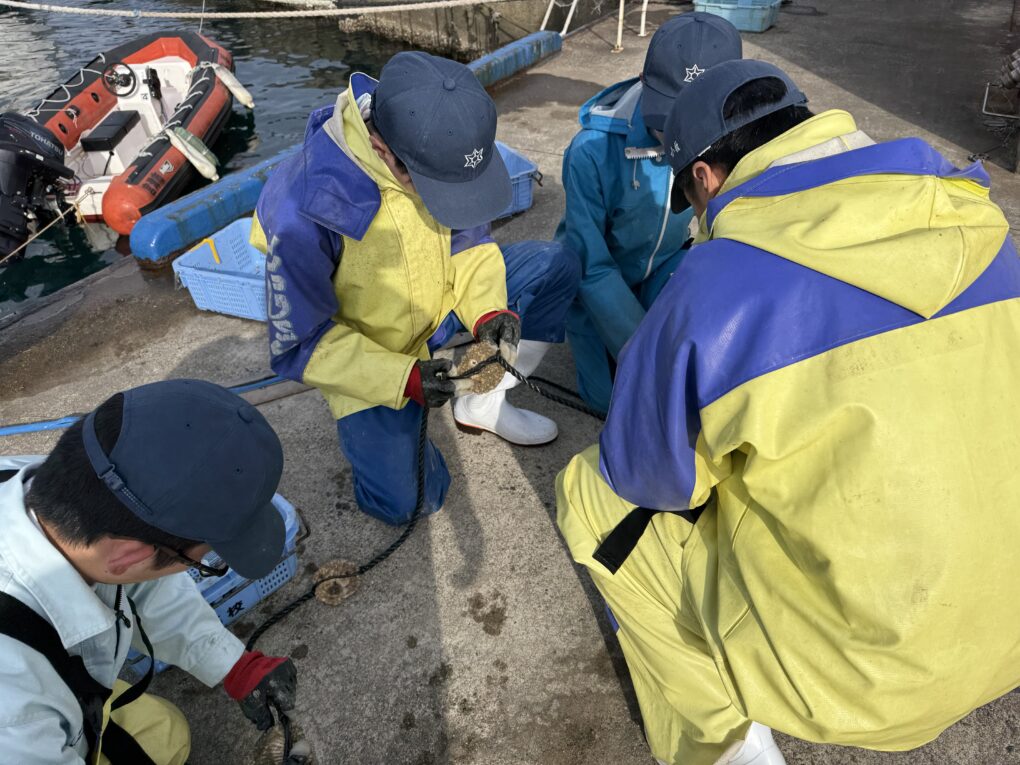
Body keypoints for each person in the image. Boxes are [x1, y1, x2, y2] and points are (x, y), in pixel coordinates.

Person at [556, 59, 1020, 765]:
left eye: (692, 200)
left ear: (705, 178)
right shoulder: (983, 225)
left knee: (588, 495)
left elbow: (648, 476)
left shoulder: (711, 288)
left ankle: (723, 741)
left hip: (869, 684)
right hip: (1008, 640)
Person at [252, 52, 579, 526]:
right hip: (373, 347)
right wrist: (403, 378)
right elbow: (299, 344)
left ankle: (483, 402)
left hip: (438, 309)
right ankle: (396, 435)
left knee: (555, 265)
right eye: (438, 186)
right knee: (411, 502)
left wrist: (490, 312)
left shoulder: (437, 141)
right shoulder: (300, 208)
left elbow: (470, 243)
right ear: (382, 150)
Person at [0, 380, 300, 764]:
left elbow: (143, 586)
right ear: (126, 556)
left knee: (166, 735)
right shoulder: (16, 715)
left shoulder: (52, 486)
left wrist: (234, 664)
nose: (196, 566)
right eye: (201, 560)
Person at [554, 12, 741, 412]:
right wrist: (644, 351)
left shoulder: (730, 142)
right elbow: (591, 265)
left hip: (664, 265)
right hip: (597, 278)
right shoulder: (589, 151)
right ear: (643, 79)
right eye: (669, 119)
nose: (679, 137)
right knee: (617, 405)